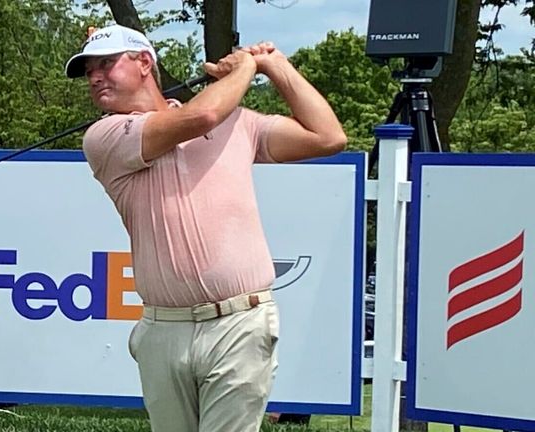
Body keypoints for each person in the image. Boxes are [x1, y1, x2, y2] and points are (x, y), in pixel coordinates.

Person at [65, 24, 346, 432]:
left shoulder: (239, 123)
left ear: (144, 63)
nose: (95, 77)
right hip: (164, 328)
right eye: (89, 70)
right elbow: (203, 115)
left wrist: (274, 64)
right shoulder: (104, 136)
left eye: (106, 63)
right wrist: (245, 68)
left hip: (240, 321)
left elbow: (328, 136)